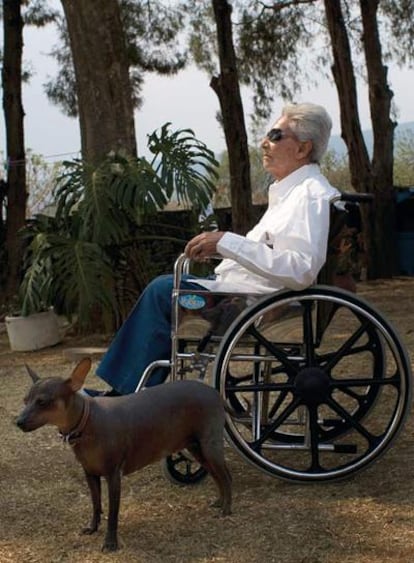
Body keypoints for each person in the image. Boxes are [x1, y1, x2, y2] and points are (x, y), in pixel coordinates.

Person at [87, 102, 340, 396]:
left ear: (302, 149)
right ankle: (130, 394)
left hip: (253, 305)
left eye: (275, 135)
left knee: (163, 292)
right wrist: (223, 247)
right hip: (245, 296)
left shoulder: (309, 195)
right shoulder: (293, 193)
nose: (264, 142)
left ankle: (125, 399)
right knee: (167, 289)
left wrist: (226, 242)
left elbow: (300, 268)